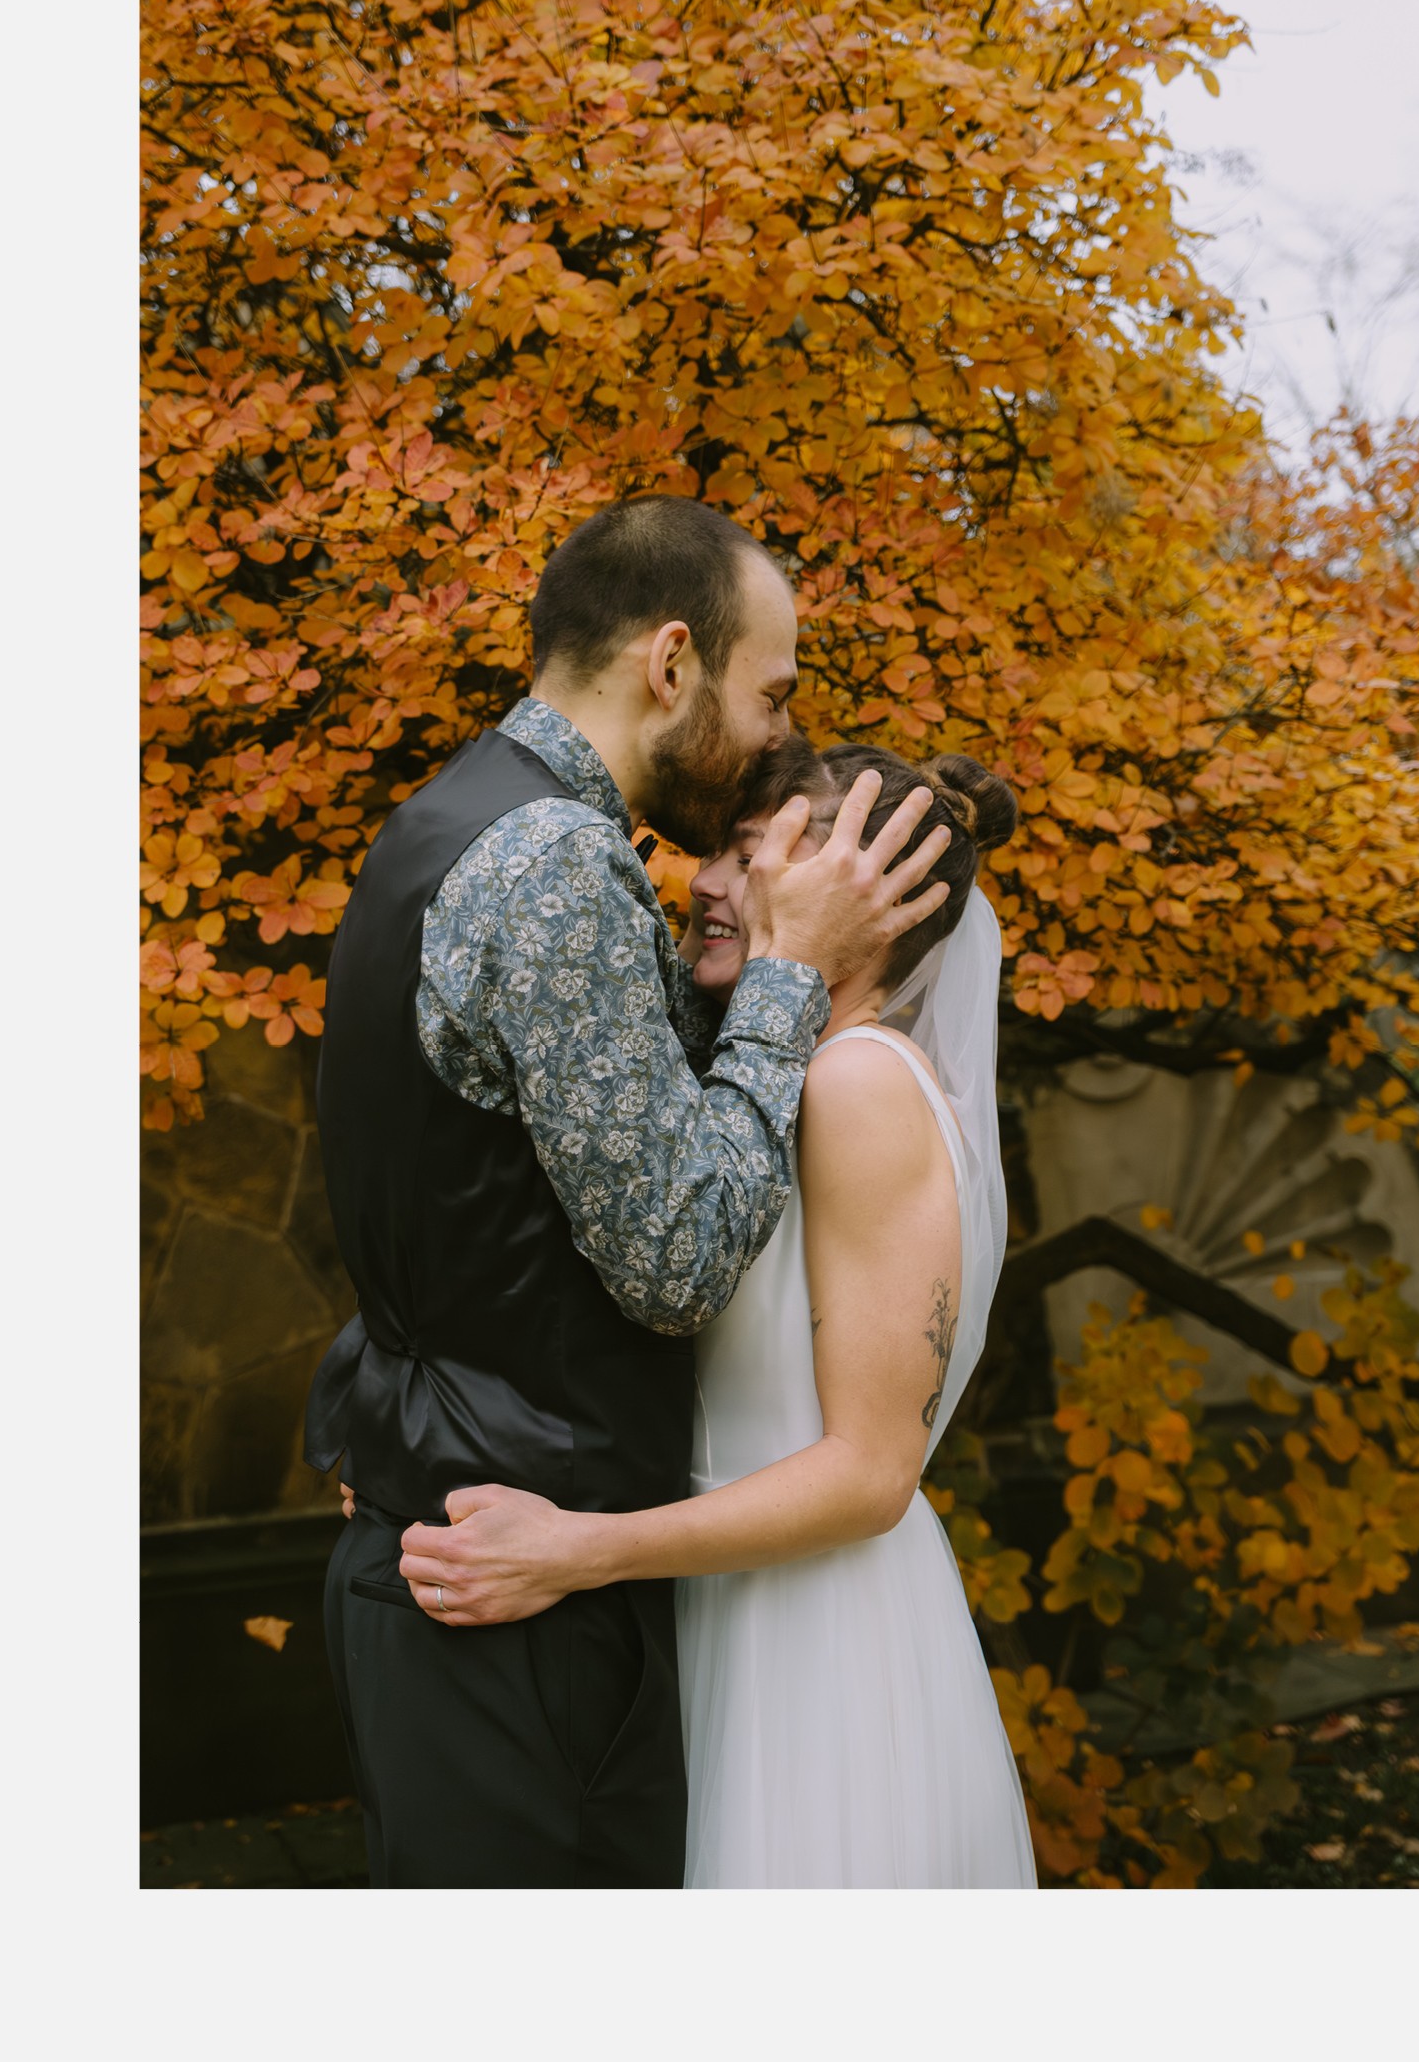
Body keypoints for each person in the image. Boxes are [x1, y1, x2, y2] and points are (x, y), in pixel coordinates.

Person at [304, 497, 952, 1889]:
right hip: (512, 1584)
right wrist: (787, 975)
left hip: (473, 1539)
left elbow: (460, 1194)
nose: (781, 731)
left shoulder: (450, 818)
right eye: (770, 690)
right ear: (672, 662)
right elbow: (672, 1254)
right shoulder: (557, 862)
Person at [396, 737, 1039, 1887]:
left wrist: (578, 1552)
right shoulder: (768, 1075)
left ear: (865, 898)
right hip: (718, 1610)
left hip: (817, 1648)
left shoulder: (858, 1085)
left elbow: (869, 1472)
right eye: (721, 853)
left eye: (754, 859)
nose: (706, 882)